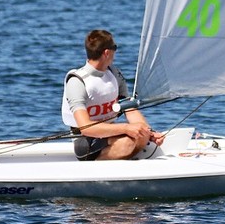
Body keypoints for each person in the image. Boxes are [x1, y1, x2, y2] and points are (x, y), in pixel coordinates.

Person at [61, 29, 164, 161]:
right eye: (115, 47)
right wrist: (127, 128)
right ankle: (95, 170)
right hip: (86, 142)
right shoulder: (77, 82)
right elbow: (85, 127)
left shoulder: (114, 74)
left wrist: (149, 132)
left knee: (141, 135)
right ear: (107, 53)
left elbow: (130, 109)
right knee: (127, 143)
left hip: (109, 135)